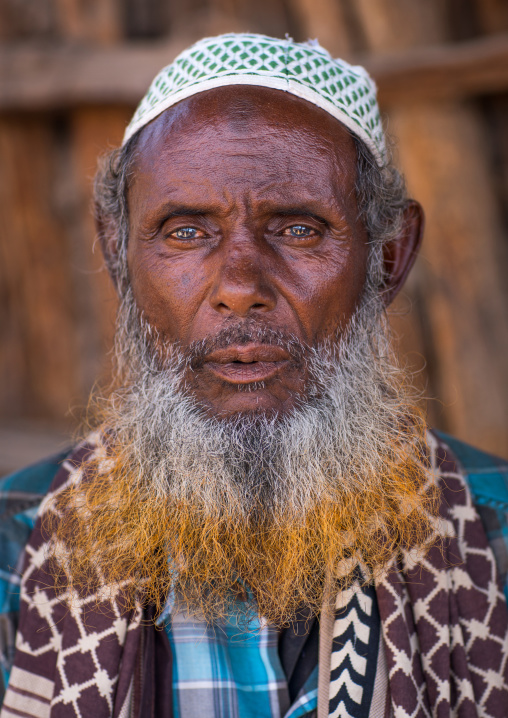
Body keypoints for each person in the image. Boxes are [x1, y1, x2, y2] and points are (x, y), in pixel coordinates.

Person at [0, 33, 507, 718]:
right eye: (186, 231)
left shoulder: (494, 538)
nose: (240, 286)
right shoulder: (16, 551)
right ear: (118, 252)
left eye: (298, 229)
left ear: (388, 255)